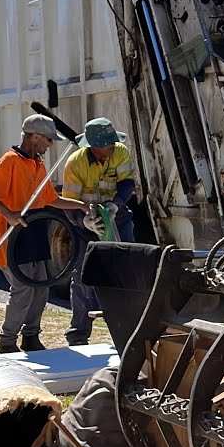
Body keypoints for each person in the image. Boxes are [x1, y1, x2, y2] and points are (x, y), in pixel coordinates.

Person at [0, 114, 87, 354]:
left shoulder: (37, 164)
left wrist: (79, 205)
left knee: (41, 288)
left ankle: (31, 336)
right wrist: (10, 214)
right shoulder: (10, 161)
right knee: (24, 289)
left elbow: (51, 199)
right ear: (35, 136)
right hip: (12, 237)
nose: (49, 145)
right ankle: (7, 340)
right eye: (48, 140)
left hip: (35, 235)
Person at [61, 117, 137, 347]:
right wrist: (85, 222)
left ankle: (129, 329)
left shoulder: (120, 152)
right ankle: (78, 334)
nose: (112, 147)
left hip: (118, 217)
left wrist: (116, 205)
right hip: (86, 223)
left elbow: (126, 183)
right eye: (107, 145)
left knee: (127, 270)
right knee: (84, 275)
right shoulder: (75, 164)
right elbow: (69, 202)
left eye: (114, 143)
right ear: (93, 146)